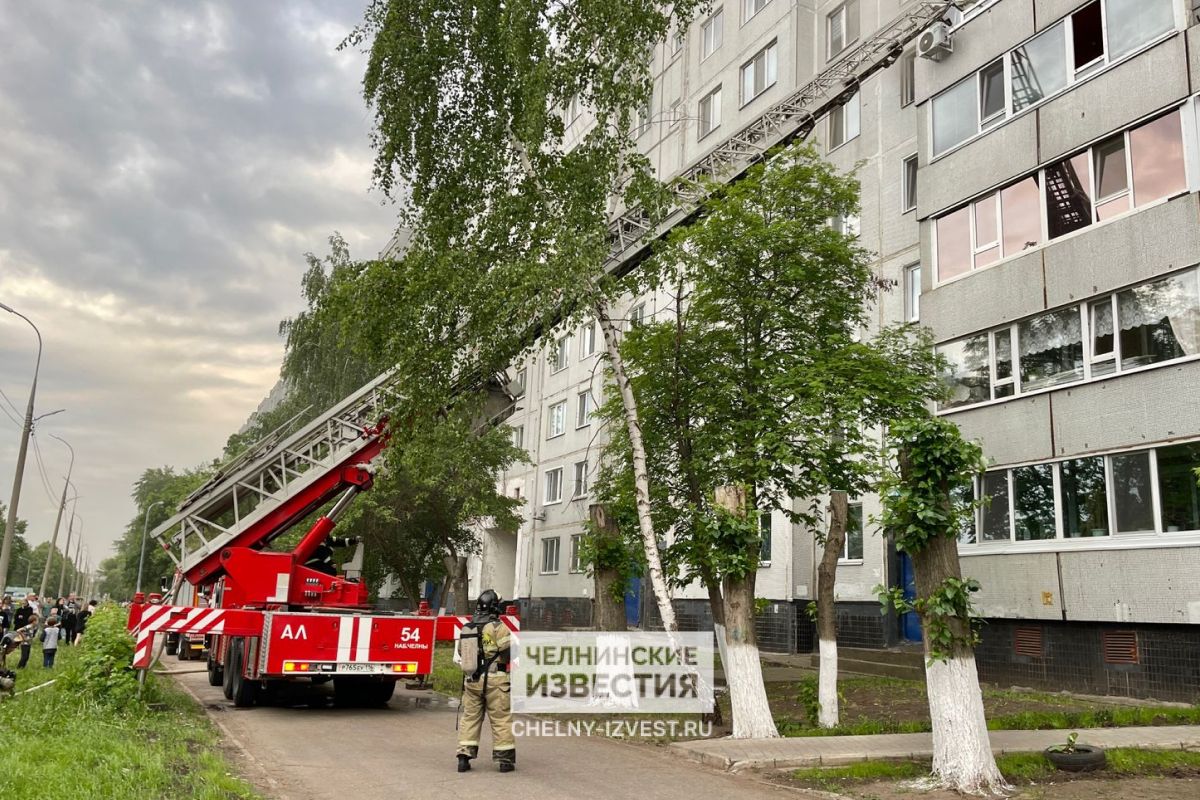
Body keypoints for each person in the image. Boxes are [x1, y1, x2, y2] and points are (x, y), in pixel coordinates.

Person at [455, 589, 515, 773]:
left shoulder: (468, 627)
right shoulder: (498, 627)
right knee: (501, 719)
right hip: (496, 681)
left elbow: (460, 652)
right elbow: (508, 652)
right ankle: (504, 761)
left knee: (470, 718)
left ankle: (464, 758)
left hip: (472, 680)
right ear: (495, 607)